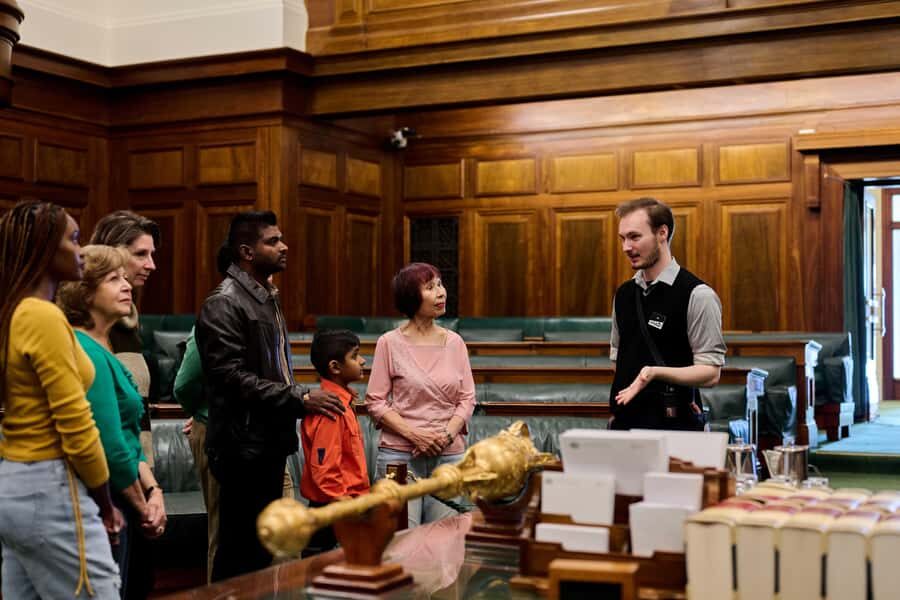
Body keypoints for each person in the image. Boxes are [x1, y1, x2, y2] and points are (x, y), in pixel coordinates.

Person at [196, 210, 345, 581]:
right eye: (273, 241)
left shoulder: (264, 298)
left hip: (266, 443)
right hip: (241, 447)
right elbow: (230, 378)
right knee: (239, 555)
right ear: (247, 252)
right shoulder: (224, 302)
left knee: (260, 554)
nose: (284, 247)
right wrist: (300, 399)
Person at [0, 200, 123, 598]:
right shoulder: (42, 316)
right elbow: (76, 424)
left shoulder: (15, 311)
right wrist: (105, 502)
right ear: (45, 250)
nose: (81, 250)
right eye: (73, 239)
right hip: (50, 488)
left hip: (15, 486)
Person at [57, 245, 167, 599]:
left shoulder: (104, 350)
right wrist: (143, 507)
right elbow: (110, 446)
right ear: (85, 292)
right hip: (98, 500)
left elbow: (129, 435)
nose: (127, 285)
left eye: (124, 277)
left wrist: (154, 490)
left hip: (119, 493)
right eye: (113, 279)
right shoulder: (84, 351)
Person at [365, 262, 475, 529]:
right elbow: (375, 401)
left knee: (444, 541)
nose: (441, 292)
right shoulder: (388, 343)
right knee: (400, 539)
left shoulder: (455, 342)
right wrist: (416, 436)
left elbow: (467, 399)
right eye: (430, 287)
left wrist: (445, 436)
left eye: (440, 284)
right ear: (411, 297)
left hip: (449, 457)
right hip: (399, 457)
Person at [609, 197, 726, 431]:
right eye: (623, 238)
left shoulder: (698, 295)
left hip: (675, 427)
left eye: (634, 237)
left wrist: (653, 373)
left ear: (662, 233)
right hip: (625, 427)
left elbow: (711, 373)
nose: (626, 247)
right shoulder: (623, 294)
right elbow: (618, 361)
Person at [90, 210, 160, 469]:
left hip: (136, 466)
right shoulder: (88, 322)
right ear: (112, 254)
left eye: (152, 254)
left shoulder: (128, 317)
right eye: (141, 254)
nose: (151, 265)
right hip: (109, 468)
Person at [301, 330, 370, 556]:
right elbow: (326, 473)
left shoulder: (343, 402)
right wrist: (348, 507)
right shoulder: (330, 408)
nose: (362, 361)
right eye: (355, 356)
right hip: (333, 512)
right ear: (335, 367)